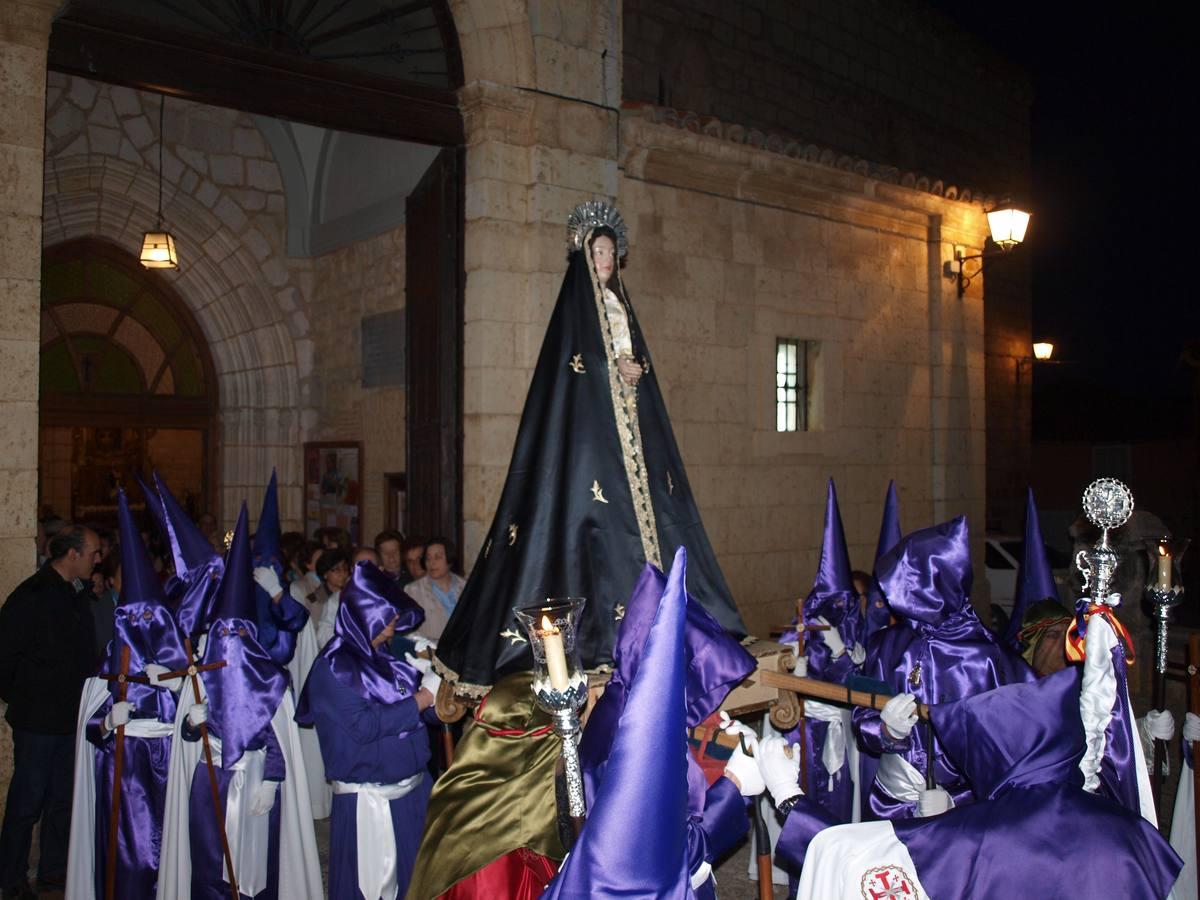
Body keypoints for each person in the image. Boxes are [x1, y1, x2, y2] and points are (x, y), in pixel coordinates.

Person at [435, 203, 745, 696]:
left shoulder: (623, 308)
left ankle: (656, 627)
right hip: (590, 444)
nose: (605, 260)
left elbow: (634, 363)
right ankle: (599, 636)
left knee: (649, 522)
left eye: (611, 253)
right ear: (583, 255)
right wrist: (609, 373)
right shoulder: (574, 314)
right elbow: (571, 377)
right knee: (587, 529)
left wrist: (634, 374)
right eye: (597, 252)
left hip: (631, 439)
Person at [156, 505, 322, 900]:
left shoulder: (271, 674)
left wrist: (271, 778)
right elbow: (186, 729)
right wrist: (194, 721)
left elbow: (273, 732)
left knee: (255, 858)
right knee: (209, 853)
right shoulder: (204, 669)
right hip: (211, 773)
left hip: (256, 762)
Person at [579, 550, 756, 897]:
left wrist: (710, 735)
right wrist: (736, 784)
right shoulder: (636, 739)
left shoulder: (622, 703)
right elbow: (672, 854)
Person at [852, 517, 1035, 820]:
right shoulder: (885, 646)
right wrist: (887, 730)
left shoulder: (989, 658)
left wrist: (959, 800)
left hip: (964, 813)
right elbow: (862, 718)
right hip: (891, 800)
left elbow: (1012, 751)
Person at [66, 491, 189, 900]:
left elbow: (202, 719)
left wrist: (178, 691)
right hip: (126, 764)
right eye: (135, 619)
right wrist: (107, 721)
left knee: (173, 844)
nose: (144, 627)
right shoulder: (112, 657)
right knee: (130, 850)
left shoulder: (180, 658)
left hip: (170, 761)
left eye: (151, 618)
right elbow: (91, 726)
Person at [295, 562, 438, 899]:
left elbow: (415, 716)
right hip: (372, 801)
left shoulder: (384, 657)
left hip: (412, 795)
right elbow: (364, 726)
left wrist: (436, 698)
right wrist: (422, 698)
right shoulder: (333, 668)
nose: (393, 627)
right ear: (366, 615)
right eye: (388, 619)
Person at [0, 526, 102, 898]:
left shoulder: (77, 595)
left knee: (62, 800)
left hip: (68, 719)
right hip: (38, 720)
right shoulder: (32, 595)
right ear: (72, 555)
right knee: (27, 801)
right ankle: (11, 876)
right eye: (93, 552)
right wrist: (25, 697)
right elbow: (5, 655)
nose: (97, 559)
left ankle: (54, 870)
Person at [403, 538, 464, 643]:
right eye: (428, 558)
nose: (432, 563)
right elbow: (407, 630)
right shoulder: (413, 590)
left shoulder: (464, 586)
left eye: (437, 557)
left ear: (449, 560)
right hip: (430, 652)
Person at [315, 549, 352, 648]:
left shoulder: (349, 595)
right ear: (325, 574)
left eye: (345, 568)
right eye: (336, 569)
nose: (342, 573)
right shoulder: (314, 599)